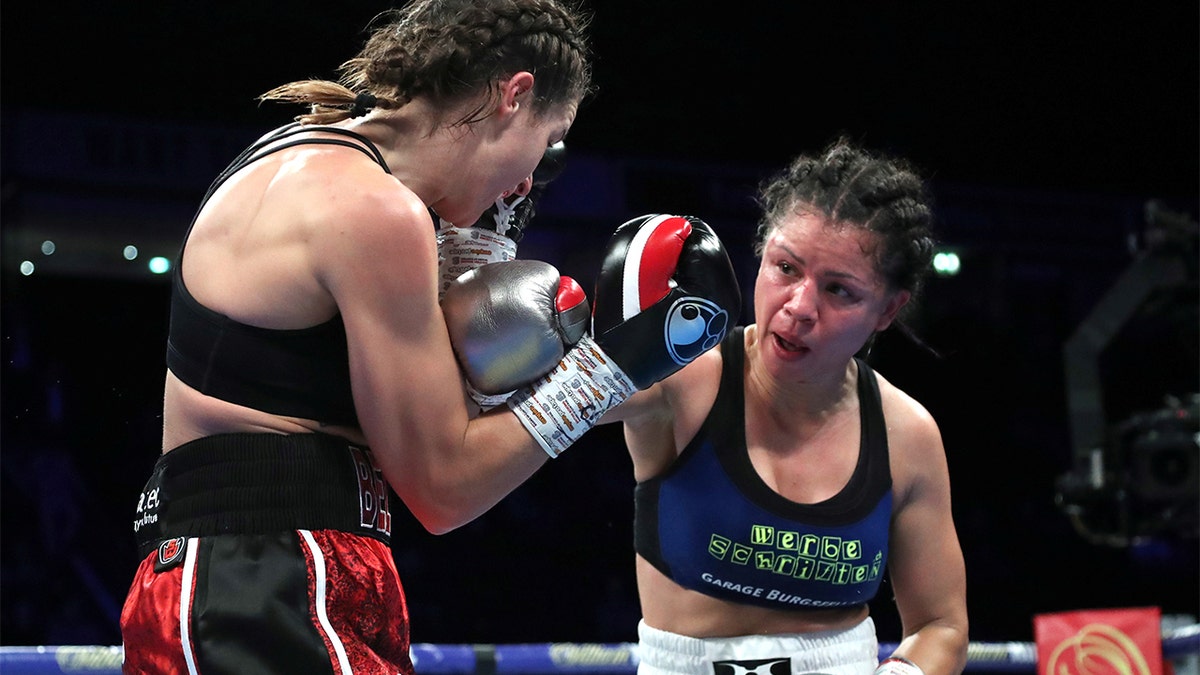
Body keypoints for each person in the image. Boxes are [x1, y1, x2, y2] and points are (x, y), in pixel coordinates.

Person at [118, 0, 743, 670]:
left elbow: (461, 401)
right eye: (548, 136)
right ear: (514, 96)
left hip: (265, 566)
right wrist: (607, 369)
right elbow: (445, 485)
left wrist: (479, 247)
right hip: (265, 572)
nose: (531, 178)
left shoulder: (324, 156)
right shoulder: (371, 209)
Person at [602, 138, 969, 675]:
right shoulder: (683, 377)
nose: (799, 307)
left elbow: (943, 627)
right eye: (786, 268)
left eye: (839, 290)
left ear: (888, 310)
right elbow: (515, 408)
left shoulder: (906, 433)